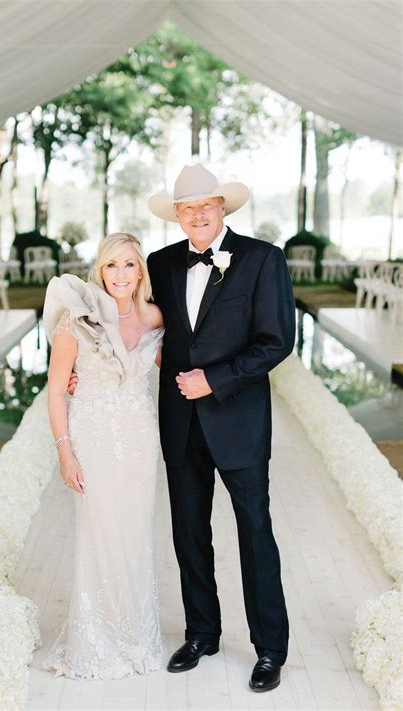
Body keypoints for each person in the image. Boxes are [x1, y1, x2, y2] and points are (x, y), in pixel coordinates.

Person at [146, 164, 296, 692]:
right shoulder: (160, 263)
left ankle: (270, 649)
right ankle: (202, 633)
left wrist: (216, 379)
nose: (198, 215)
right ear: (179, 215)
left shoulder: (262, 259)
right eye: (188, 208)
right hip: (180, 423)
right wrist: (86, 361)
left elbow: (277, 341)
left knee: (255, 533)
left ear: (223, 208)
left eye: (207, 205)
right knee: (189, 532)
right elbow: (141, 326)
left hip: (239, 421)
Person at [42, 232, 164, 680]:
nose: (120, 275)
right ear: (100, 270)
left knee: (135, 534)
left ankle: (136, 635)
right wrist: (65, 452)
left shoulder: (155, 317)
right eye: (111, 265)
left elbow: (170, 369)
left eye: (129, 264)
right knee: (98, 534)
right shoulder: (77, 321)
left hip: (139, 438)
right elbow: (56, 391)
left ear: (140, 271)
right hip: (92, 437)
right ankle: (96, 640)